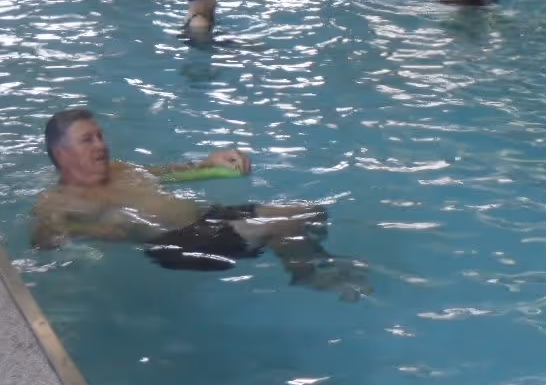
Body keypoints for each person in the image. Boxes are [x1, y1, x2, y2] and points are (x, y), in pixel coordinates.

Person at [31, 108, 369, 298]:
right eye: (87, 140)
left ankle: (312, 259)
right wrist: (95, 232)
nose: (101, 145)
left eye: (100, 136)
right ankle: (309, 276)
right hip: (180, 243)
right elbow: (45, 242)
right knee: (287, 226)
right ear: (63, 154)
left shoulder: (119, 169)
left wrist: (210, 164)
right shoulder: (58, 201)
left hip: (206, 216)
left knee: (310, 212)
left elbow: (165, 174)